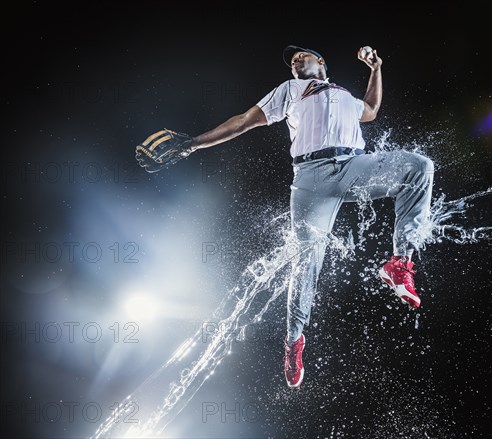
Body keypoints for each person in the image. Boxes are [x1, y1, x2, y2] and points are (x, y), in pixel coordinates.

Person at [174, 45, 434, 388]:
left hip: (353, 166)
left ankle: (400, 263)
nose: (295, 61)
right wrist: (194, 143)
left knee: (420, 168)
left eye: (302, 56)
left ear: (321, 62)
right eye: (292, 60)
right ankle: (294, 340)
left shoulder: (343, 94)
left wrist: (376, 69)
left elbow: (370, 110)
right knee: (306, 262)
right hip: (312, 178)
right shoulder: (290, 90)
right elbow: (244, 120)